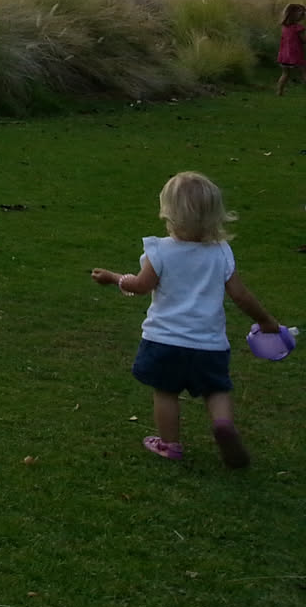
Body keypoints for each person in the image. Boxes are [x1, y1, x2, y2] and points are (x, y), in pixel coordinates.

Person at [92, 171, 286, 468]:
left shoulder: (159, 250)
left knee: (166, 391)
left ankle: (169, 444)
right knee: (216, 389)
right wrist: (267, 321)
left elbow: (140, 286)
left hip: (164, 341)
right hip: (209, 344)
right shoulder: (221, 252)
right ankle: (223, 424)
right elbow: (240, 295)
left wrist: (112, 278)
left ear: (168, 213)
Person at [275, 2, 304, 95]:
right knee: (304, 72)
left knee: (285, 74)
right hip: (295, 54)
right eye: (302, 13)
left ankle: (279, 91)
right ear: (294, 15)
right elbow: (304, 40)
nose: (303, 15)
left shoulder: (284, 27)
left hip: (284, 55)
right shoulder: (298, 27)